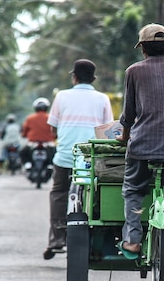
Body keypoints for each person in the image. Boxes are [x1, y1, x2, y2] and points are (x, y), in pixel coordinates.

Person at [116, 23, 164, 274]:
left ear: (144, 49)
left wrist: (124, 137)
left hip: (142, 146)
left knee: (133, 190)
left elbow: (128, 114)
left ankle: (134, 241)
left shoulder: (134, 72)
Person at [43, 59, 113, 260]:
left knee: (59, 193)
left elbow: (53, 128)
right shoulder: (102, 99)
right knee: (98, 194)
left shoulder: (61, 96)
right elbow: (107, 131)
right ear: (93, 79)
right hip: (92, 159)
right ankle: (97, 243)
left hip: (66, 156)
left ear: (74, 77)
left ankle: (57, 240)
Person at [20, 97, 56, 164]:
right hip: (49, 143)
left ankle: (27, 164)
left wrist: (24, 135)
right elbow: (55, 131)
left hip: (32, 143)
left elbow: (24, 132)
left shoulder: (30, 118)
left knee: (22, 153)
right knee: (56, 155)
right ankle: (50, 165)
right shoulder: (51, 118)